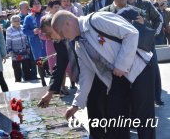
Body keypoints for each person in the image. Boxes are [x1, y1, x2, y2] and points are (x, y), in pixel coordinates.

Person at [51, 10, 155, 139]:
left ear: (67, 23)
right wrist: (76, 105)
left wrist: (121, 65)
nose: (62, 38)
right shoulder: (79, 45)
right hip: (118, 76)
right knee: (115, 119)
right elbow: (86, 75)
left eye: (61, 33)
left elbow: (131, 33)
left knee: (143, 117)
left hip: (140, 69)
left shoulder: (97, 19)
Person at [128, 0, 164, 106]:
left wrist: (151, 33)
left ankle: (157, 97)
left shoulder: (145, 3)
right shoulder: (122, 4)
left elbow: (159, 19)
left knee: (153, 68)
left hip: (147, 44)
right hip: (130, 45)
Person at [23, 0, 47, 86]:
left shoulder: (46, 15)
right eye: (34, 4)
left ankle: (54, 81)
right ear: (31, 6)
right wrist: (33, 32)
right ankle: (43, 81)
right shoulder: (28, 18)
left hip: (47, 42)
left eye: (38, 3)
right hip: (36, 43)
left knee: (50, 60)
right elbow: (24, 30)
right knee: (39, 62)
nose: (37, 5)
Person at [6, 15, 31, 82]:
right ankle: (18, 82)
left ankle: (28, 81)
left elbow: (26, 39)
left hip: (24, 52)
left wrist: (27, 47)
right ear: (12, 22)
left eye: (18, 21)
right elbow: (8, 41)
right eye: (15, 21)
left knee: (27, 69)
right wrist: (10, 51)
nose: (17, 22)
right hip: (15, 53)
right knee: (17, 70)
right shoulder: (9, 30)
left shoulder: (23, 27)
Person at [18, 0, 38, 80]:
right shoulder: (17, 18)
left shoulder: (31, 16)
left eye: (28, 6)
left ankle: (35, 75)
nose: (28, 8)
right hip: (21, 43)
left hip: (31, 41)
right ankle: (25, 76)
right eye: (25, 6)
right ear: (20, 8)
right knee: (24, 60)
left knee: (34, 59)